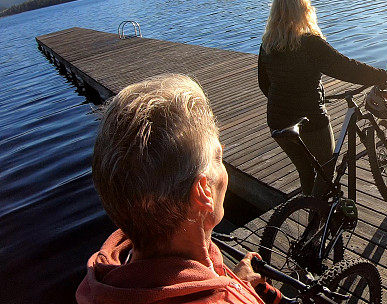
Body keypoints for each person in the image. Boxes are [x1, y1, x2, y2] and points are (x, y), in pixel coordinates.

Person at [77, 74, 282, 304]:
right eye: (218, 157)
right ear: (203, 191)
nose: (223, 167)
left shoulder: (107, 273)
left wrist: (236, 283)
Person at [258, 0, 387, 196]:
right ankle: (320, 216)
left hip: (278, 123)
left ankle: (313, 219)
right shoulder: (309, 44)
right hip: (311, 120)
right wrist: (385, 75)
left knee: (306, 172)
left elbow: (264, 85)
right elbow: (348, 68)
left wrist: (286, 98)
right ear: (303, 9)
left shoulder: (267, 46)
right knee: (326, 167)